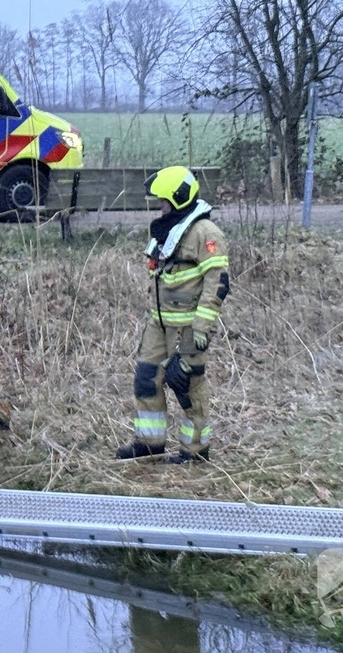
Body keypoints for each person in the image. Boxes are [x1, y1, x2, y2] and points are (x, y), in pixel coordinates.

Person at [115, 166, 230, 464]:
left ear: (178, 198)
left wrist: (202, 326)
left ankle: (195, 451)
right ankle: (149, 444)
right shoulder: (168, 229)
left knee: (187, 385)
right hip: (160, 324)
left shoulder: (206, 233)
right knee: (146, 379)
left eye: (163, 201)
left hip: (190, 328)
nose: (159, 207)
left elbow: (217, 282)